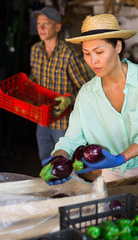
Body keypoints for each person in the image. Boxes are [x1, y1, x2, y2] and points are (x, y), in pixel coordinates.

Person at [42, 13, 138, 184]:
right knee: (117, 211)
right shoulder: (86, 94)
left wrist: (121, 157)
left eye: (99, 52)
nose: (93, 61)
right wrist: (59, 159)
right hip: (113, 173)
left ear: (118, 46)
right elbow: (72, 139)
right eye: (86, 53)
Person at [29, 6, 93, 162]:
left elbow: (88, 88)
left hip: (63, 123)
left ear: (57, 27)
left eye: (46, 24)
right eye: (38, 24)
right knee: (45, 159)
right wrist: (26, 84)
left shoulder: (69, 55)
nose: (41, 28)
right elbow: (35, 78)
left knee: (64, 163)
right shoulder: (35, 50)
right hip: (41, 118)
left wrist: (69, 100)